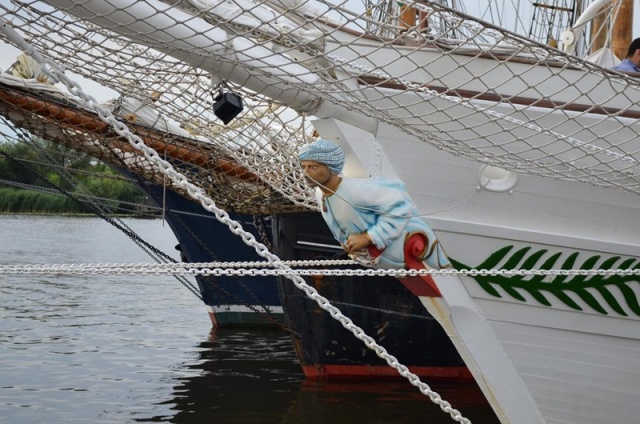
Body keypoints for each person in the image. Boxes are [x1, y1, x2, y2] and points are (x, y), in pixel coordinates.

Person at [298, 139, 450, 270]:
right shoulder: (320, 193)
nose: (305, 173)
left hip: (412, 250)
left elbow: (401, 207)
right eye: (303, 167)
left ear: (330, 167)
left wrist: (368, 237)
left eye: (313, 167)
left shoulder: (357, 190)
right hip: (382, 260)